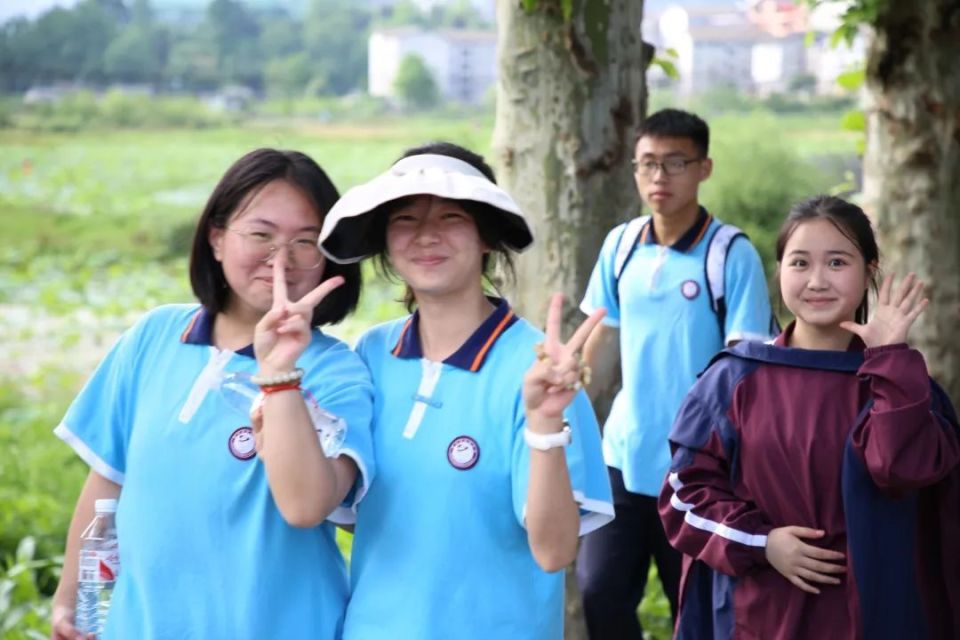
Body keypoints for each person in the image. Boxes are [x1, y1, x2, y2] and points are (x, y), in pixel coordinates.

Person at [50, 149, 375, 640]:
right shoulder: (154, 336)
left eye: (305, 242)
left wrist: (280, 370)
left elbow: (308, 507)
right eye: (261, 234)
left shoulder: (336, 372)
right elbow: (107, 485)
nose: (280, 259)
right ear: (217, 239)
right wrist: (73, 598)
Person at [317, 142, 614, 639]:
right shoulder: (369, 355)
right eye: (406, 219)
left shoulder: (540, 370)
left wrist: (544, 425)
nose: (426, 235)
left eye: (451, 216)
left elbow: (555, 550)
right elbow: (356, 514)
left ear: (487, 238)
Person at [659, 195, 960, 639]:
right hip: (760, 616)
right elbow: (683, 495)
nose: (817, 280)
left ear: (869, 271)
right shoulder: (733, 379)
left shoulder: (903, 384)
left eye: (837, 263)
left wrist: (891, 361)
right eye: (800, 263)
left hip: (875, 616)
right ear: (780, 270)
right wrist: (762, 542)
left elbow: (901, 469)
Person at [575, 108, 776, 637]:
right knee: (599, 592)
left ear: (704, 168)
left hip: (695, 466)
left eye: (674, 163)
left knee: (695, 608)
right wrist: (573, 385)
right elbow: (601, 333)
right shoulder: (620, 245)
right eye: (647, 164)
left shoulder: (729, 253)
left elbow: (746, 367)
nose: (659, 177)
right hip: (622, 454)